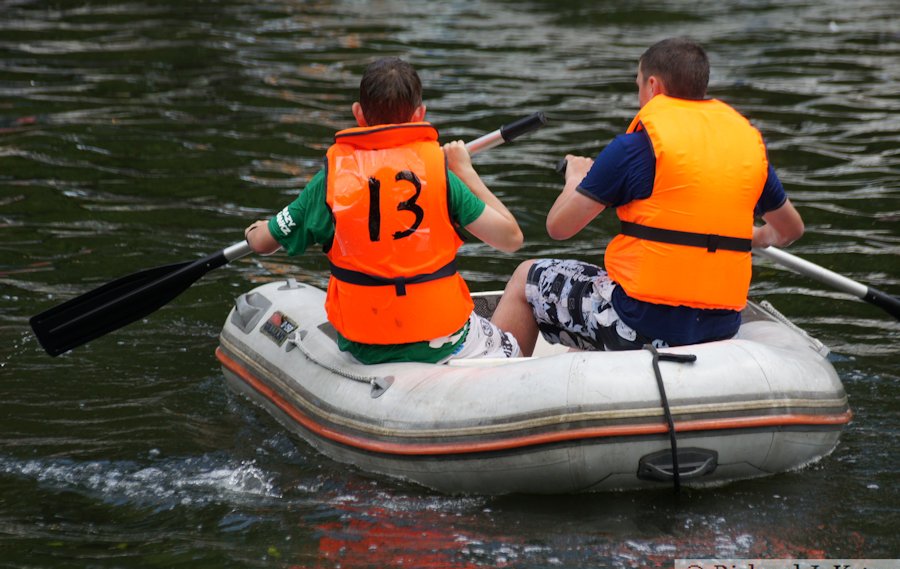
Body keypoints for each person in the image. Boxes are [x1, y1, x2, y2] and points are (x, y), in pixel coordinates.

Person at [491, 37, 805, 356]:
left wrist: (575, 179)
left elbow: (559, 228)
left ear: (653, 85)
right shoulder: (745, 149)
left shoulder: (633, 148)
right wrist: (756, 236)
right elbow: (791, 230)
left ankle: (496, 386)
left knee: (526, 278)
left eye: (638, 84)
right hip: (719, 327)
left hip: (638, 322)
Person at [244, 57, 523, 364]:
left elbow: (262, 243)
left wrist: (257, 229)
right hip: (440, 338)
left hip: (365, 342)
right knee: (514, 346)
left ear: (358, 114)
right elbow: (511, 238)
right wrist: (466, 172)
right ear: (420, 115)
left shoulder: (330, 180)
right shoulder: (442, 176)